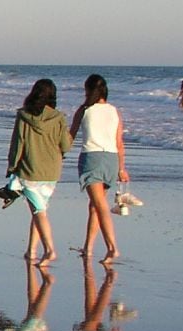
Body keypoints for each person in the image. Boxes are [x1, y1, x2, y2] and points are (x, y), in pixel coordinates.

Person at [4, 79, 73, 266]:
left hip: (30, 170)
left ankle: (49, 250)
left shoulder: (23, 116)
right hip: (52, 171)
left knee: (38, 211)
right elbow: (66, 145)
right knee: (39, 210)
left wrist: (11, 168)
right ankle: (32, 250)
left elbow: (17, 145)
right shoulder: (58, 117)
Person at [69, 74, 129, 264]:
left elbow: (70, 136)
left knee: (100, 206)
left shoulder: (85, 109)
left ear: (88, 90)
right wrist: (122, 168)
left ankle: (112, 248)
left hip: (92, 158)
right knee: (95, 205)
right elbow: (119, 142)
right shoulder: (114, 111)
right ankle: (88, 247)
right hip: (111, 160)